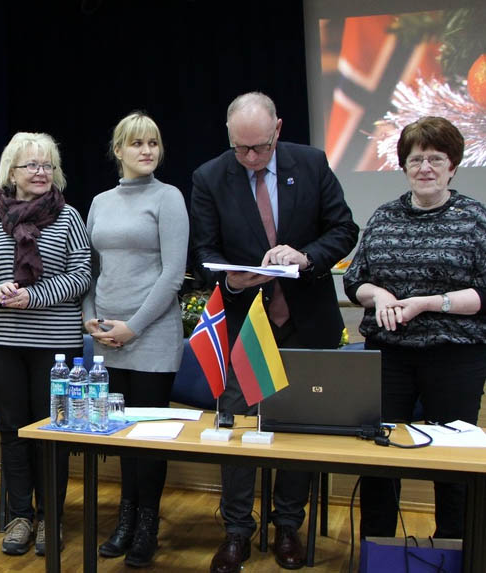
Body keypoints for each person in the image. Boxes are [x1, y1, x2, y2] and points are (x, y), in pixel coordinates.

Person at [190, 92, 359, 572]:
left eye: (260, 148)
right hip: (246, 324)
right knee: (237, 428)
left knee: (296, 429)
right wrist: (230, 279)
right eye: (240, 148)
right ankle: (236, 532)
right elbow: (203, 252)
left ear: (278, 130)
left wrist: (306, 257)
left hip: (306, 324)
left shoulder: (312, 163)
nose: (250, 157)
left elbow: (344, 229)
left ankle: (288, 525)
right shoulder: (209, 176)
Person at [343, 116, 486, 540]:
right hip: (389, 356)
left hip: (455, 357)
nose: (425, 168)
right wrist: (380, 295)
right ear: (404, 165)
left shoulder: (474, 219)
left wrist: (429, 303)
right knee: (380, 460)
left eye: (436, 159)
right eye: (416, 159)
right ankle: (378, 551)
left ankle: (452, 552)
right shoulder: (384, 217)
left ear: (452, 165)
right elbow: (354, 281)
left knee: (452, 463)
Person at [0, 132, 91, 556]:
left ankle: (50, 518)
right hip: (2, 341)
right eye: (32, 165)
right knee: (13, 430)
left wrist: (32, 296)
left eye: (47, 165)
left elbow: (81, 276)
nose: (41, 172)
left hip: (55, 344)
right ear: (11, 172)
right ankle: (21, 517)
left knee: (52, 431)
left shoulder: (69, 217)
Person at [82, 112, 188, 567]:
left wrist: (134, 326)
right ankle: (124, 520)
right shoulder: (100, 201)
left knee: (149, 439)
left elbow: (173, 275)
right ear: (118, 150)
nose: (147, 151)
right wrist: (90, 319)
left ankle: (147, 525)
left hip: (151, 335)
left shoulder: (169, 197)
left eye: (153, 143)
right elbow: (91, 270)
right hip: (107, 338)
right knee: (121, 434)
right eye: (137, 143)